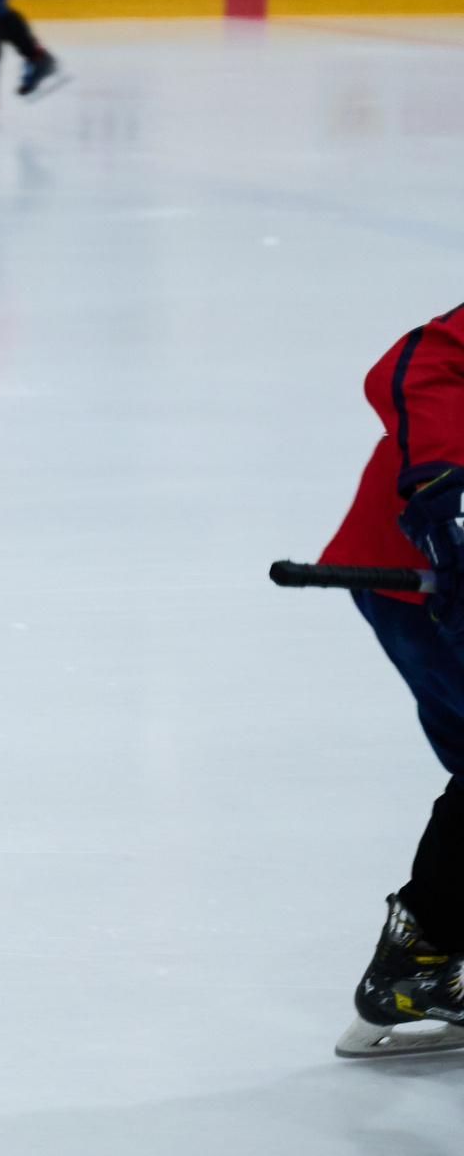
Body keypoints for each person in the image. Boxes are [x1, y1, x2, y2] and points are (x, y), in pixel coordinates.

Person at [313, 307, 464, 1058]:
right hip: (424, 571)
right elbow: (416, 362)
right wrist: (443, 493)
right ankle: (422, 961)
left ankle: (424, 958)